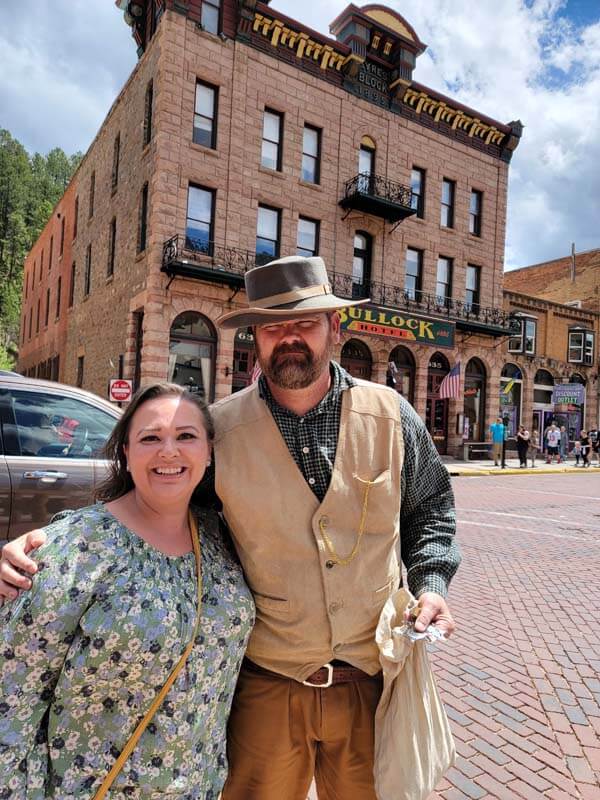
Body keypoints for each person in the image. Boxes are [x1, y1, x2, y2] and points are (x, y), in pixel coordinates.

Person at [1, 255, 460, 800]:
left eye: (305, 322)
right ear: (256, 339)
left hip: (371, 679)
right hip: (267, 684)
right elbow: (159, 509)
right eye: (273, 326)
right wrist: (54, 545)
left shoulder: (392, 414)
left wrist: (431, 586)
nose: (290, 337)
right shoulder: (219, 431)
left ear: (334, 328)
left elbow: (430, 508)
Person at [0, 383, 254, 799]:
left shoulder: (224, 539)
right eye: (150, 438)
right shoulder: (73, 550)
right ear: (125, 453)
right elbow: (12, 701)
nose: (169, 451)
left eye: (186, 437)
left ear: (208, 452)